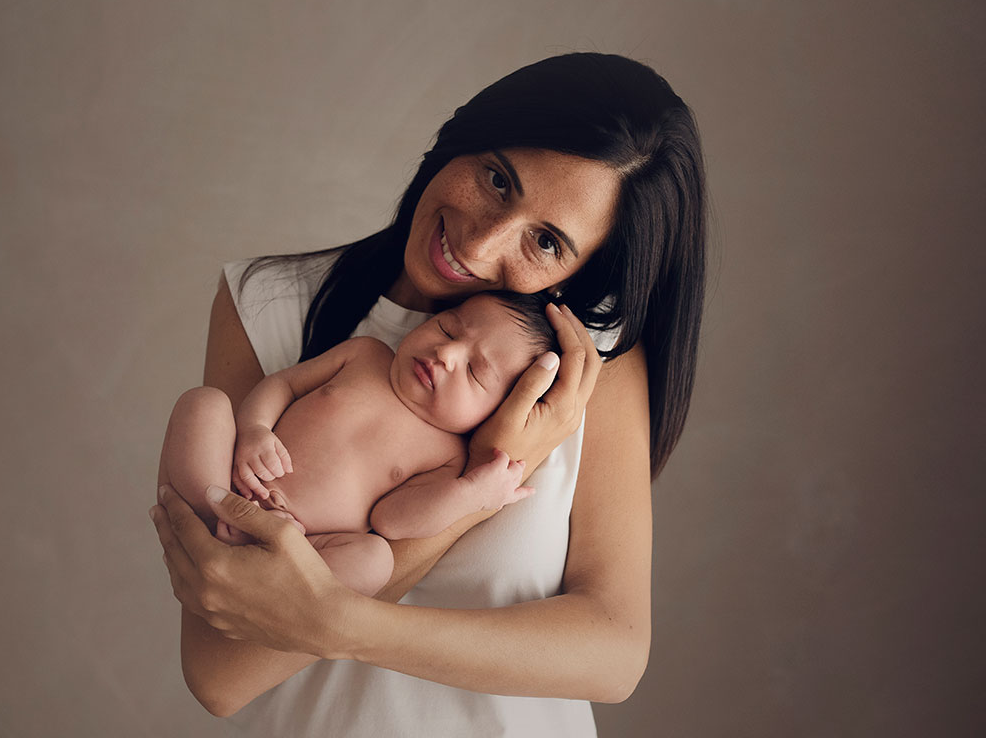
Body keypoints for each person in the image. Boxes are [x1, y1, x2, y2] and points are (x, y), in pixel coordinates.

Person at [150, 52, 706, 736]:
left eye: (548, 242)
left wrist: (350, 622)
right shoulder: (268, 304)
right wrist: (495, 462)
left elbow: (615, 653)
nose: (479, 242)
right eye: (498, 180)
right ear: (462, 138)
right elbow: (220, 676)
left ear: (589, 267)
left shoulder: (588, 371)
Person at [158, 292, 557, 597]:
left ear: (498, 410)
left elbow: (392, 520)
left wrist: (471, 494)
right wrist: (255, 429)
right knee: (205, 402)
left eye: (474, 371)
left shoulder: (447, 456)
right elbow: (285, 383)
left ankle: (268, 572)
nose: (446, 353)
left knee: (374, 561)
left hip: (305, 541)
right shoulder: (366, 355)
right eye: (447, 328)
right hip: (232, 484)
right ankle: (207, 516)